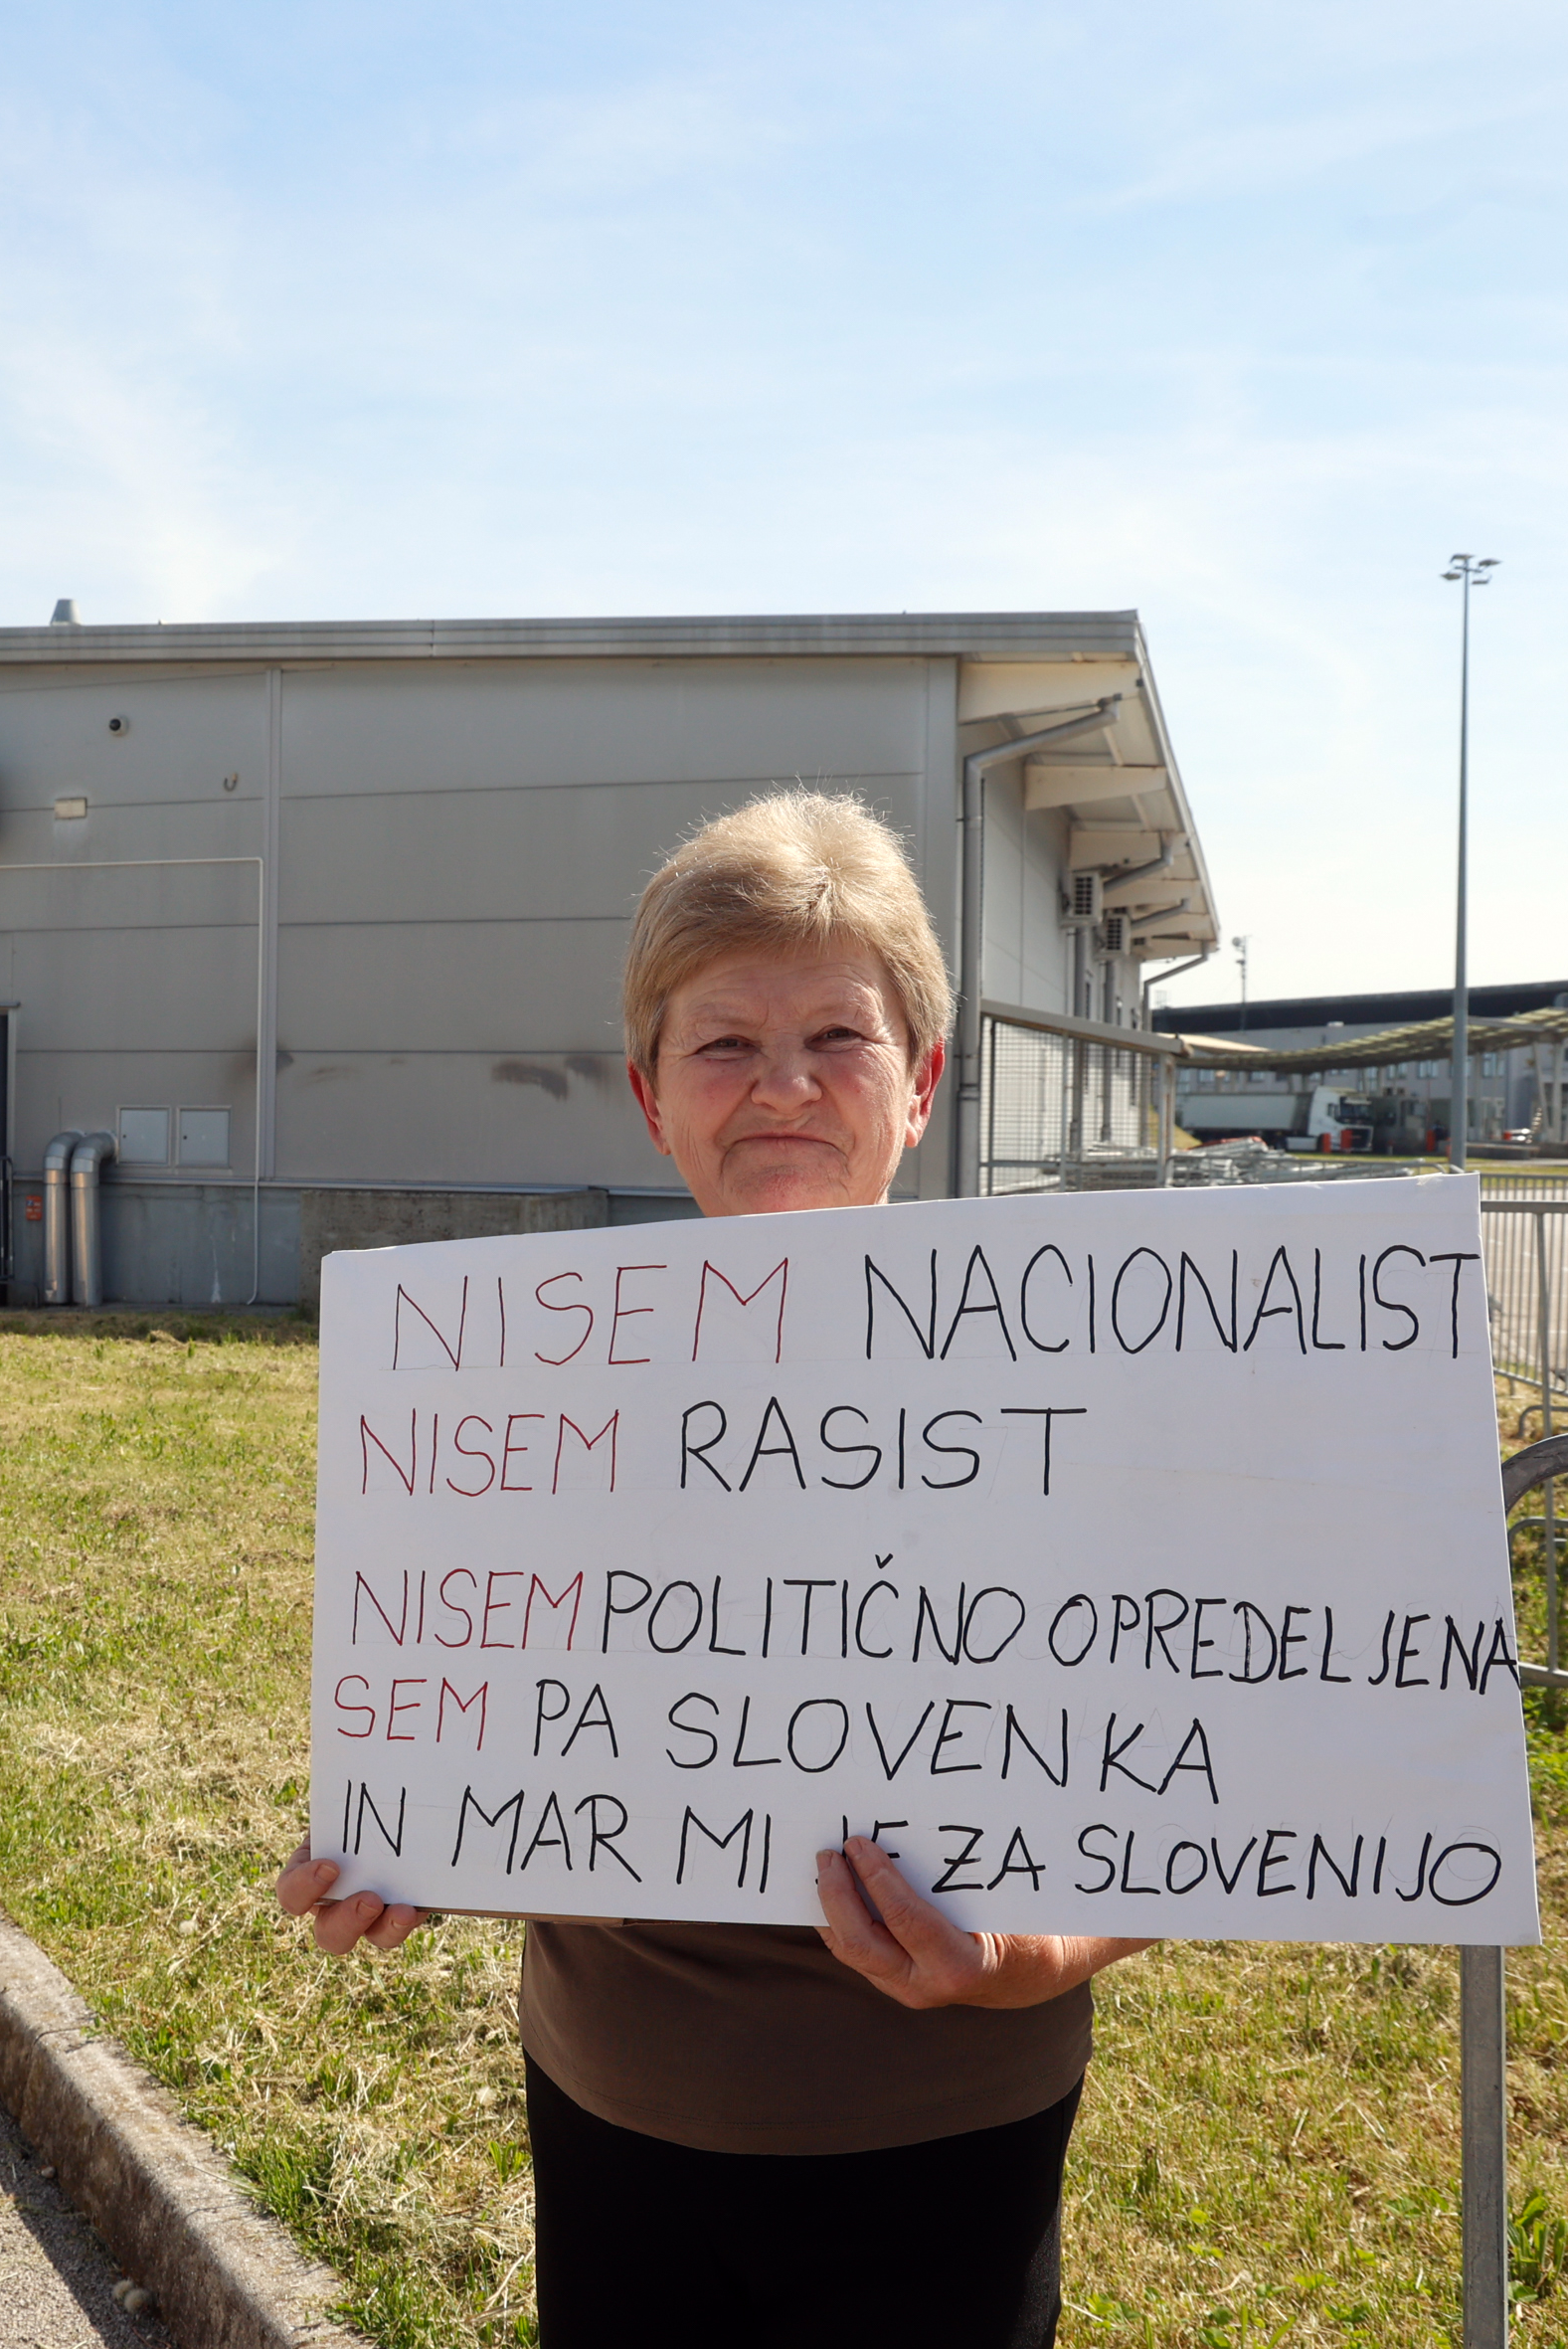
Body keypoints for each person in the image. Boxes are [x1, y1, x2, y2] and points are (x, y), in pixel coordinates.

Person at [275, 792, 1154, 2348]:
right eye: (726, 1044)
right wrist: (406, 1842)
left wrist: (1032, 1956)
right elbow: (515, 1708)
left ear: (923, 1082)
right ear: (650, 1094)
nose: (785, 1087)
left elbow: (1200, 1792)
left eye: (839, 1036)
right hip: (613, 2116)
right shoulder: (521, 1393)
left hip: (947, 2134)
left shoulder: (1051, 1383)